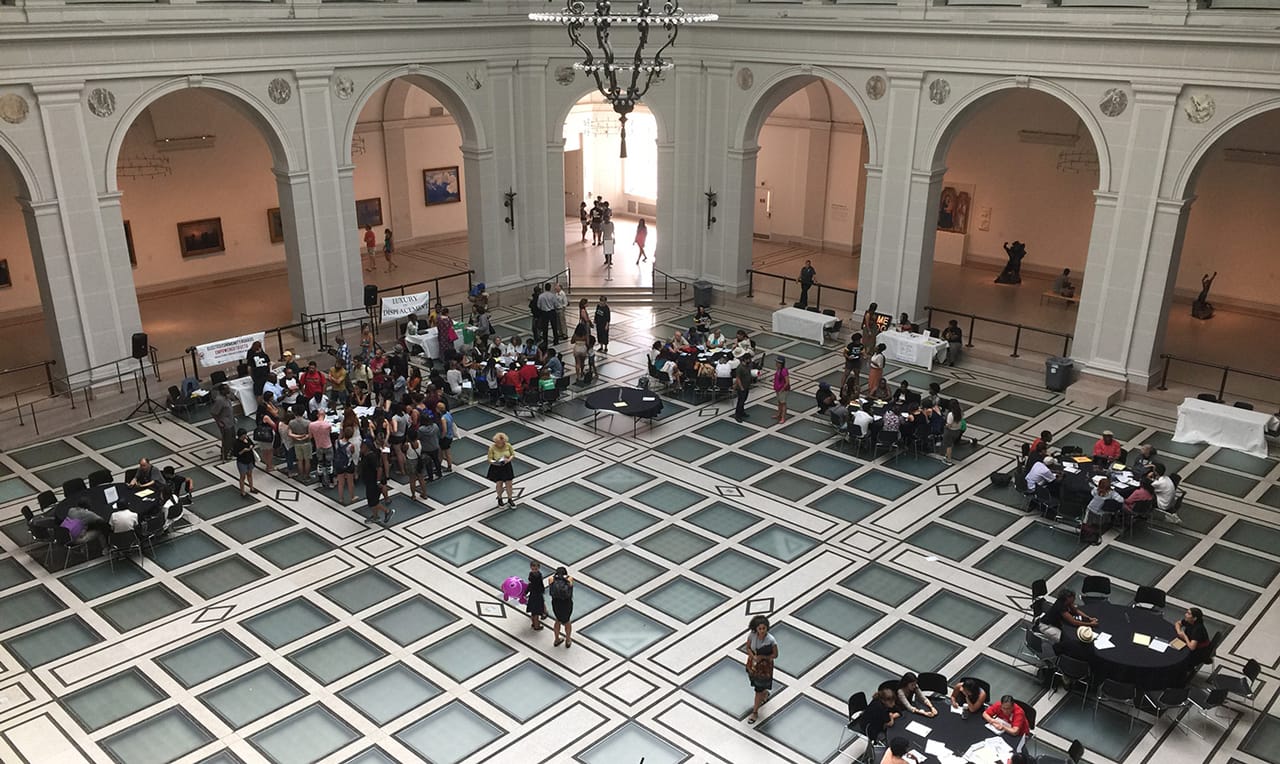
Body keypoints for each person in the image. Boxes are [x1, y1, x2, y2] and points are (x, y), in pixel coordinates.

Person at [744, 615, 778, 724]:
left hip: (764, 668)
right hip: (753, 665)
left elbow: (775, 654)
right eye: (760, 628)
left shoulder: (771, 640)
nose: (762, 631)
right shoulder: (752, 635)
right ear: (756, 629)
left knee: (758, 689)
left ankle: (755, 712)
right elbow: (748, 647)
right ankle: (765, 693)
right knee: (756, 684)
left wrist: (763, 657)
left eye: (764, 628)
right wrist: (753, 657)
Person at [359, 440, 393, 526]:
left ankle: (387, 511)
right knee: (372, 500)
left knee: (373, 502)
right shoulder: (365, 456)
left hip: (373, 483)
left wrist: (378, 481)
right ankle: (375, 516)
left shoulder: (371, 457)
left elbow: (379, 469)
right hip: (369, 482)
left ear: (367, 447)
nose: (361, 446)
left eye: (363, 445)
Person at [487, 432, 516, 507]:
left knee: (509, 484)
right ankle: (500, 498)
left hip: (506, 466)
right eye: (498, 442)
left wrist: (508, 460)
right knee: (499, 484)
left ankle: (510, 499)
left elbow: (513, 454)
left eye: (501, 442)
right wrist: (495, 462)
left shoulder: (508, 445)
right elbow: (489, 459)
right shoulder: (492, 447)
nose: (500, 444)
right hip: (497, 467)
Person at [209, 384, 236, 461]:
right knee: (227, 439)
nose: (229, 390)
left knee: (232, 438)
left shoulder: (227, 397)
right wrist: (219, 422)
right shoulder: (219, 400)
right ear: (222, 391)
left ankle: (231, 452)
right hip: (225, 423)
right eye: (227, 389)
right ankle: (225, 454)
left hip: (231, 421)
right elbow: (213, 412)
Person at [549, 566, 574, 647]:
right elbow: (570, 583)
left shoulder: (551, 579)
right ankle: (568, 639)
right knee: (567, 621)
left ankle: (556, 639)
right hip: (566, 603)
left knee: (557, 620)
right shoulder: (570, 579)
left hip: (556, 603)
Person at [309, 411, 334, 489]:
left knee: (320, 464)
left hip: (318, 446)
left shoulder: (311, 425)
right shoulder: (328, 425)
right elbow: (330, 433)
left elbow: (310, 436)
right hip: (328, 446)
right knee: (329, 465)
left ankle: (320, 482)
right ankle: (331, 482)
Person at [334, 428, 356, 504]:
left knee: (340, 482)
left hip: (339, 464)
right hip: (348, 464)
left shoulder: (336, 442)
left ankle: (340, 498)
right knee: (350, 482)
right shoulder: (350, 445)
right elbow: (352, 453)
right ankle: (352, 497)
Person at [235, 429, 257, 497]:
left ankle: (251, 488)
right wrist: (243, 451)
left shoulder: (247, 438)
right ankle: (242, 491)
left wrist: (251, 446)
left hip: (249, 460)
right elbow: (235, 454)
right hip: (242, 461)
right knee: (243, 476)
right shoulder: (236, 443)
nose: (245, 436)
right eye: (243, 435)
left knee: (250, 474)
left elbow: (252, 444)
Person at [732, 351, 754, 423]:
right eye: (748, 359)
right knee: (740, 401)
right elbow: (738, 378)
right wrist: (741, 387)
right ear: (745, 359)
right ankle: (737, 415)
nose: (750, 360)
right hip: (742, 387)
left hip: (747, 386)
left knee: (744, 400)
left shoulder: (748, 366)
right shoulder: (740, 368)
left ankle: (742, 411)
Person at [942, 398, 964, 466]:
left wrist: (945, 426)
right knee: (951, 444)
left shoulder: (951, 414)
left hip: (950, 431)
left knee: (948, 445)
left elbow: (949, 424)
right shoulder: (960, 411)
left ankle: (948, 459)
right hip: (957, 430)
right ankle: (946, 455)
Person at [526, 560, 547, 631]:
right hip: (537, 595)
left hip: (533, 594)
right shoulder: (538, 575)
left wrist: (526, 592)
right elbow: (539, 585)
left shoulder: (531, 575)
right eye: (533, 569)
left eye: (535, 569)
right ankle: (537, 626)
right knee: (536, 612)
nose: (534, 570)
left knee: (533, 611)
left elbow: (530, 585)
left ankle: (534, 623)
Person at [772, 357, 790, 424]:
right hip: (778, 389)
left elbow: (787, 381)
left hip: (782, 390)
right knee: (779, 402)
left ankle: (783, 417)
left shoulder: (784, 371)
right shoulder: (778, 370)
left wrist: (782, 389)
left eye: (777, 363)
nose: (776, 364)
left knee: (783, 403)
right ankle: (779, 414)